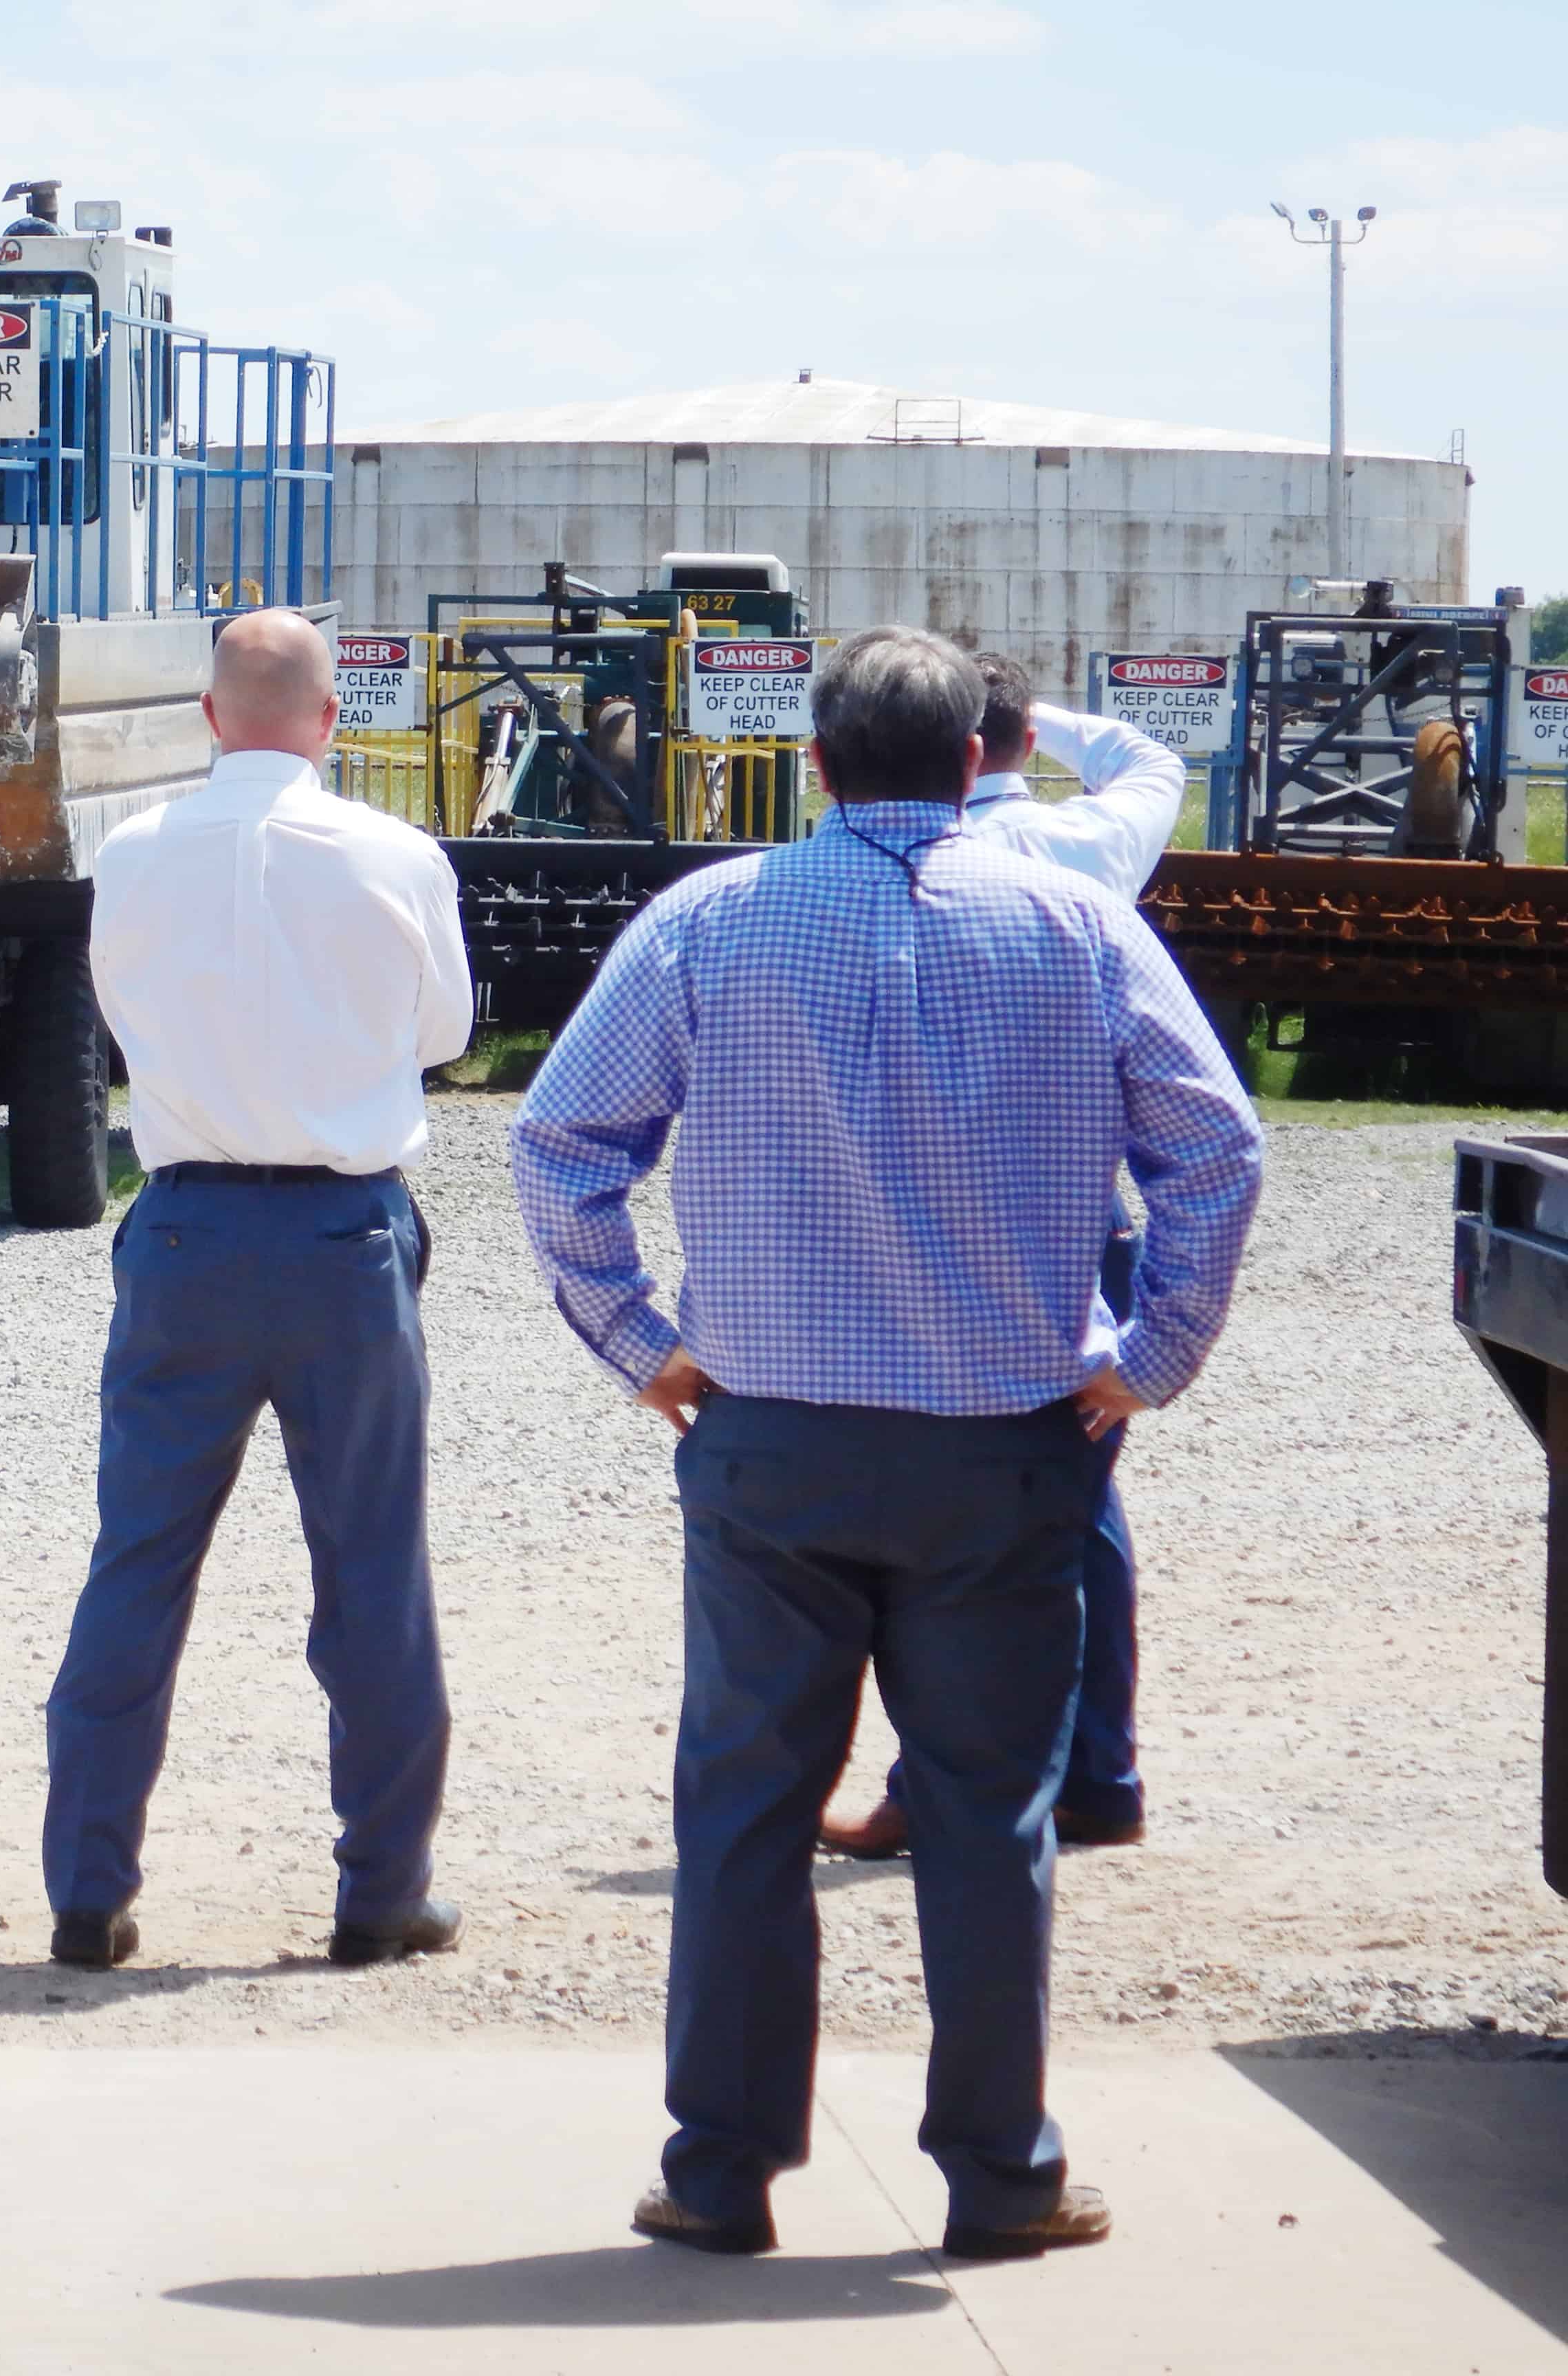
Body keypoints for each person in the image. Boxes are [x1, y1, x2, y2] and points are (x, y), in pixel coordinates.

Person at [510, 626, 1261, 2262]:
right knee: (991, 1820)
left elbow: (561, 1139)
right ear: (979, 761)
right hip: (1007, 1448)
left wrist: (638, 1340)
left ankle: (722, 2175)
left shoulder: (708, 920)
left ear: (818, 765)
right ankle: (1000, 2177)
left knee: (745, 1808)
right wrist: (1154, 1356)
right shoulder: (1081, 923)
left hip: (770, 1443)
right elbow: (1216, 1146)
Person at [39, 608, 476, 1972]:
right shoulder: (397, 854)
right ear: (332, 719)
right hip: (344, 1233)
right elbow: (447, 1033)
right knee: (372, 1568)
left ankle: (88, 1890)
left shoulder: (133, 853)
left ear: (209, 717)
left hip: (186, 1228)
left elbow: (121, 1014)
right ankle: (381, 1891)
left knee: (139, 1560)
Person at [821, 654, 1185, 1862]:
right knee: (1073, 1504)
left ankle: (939, 1781)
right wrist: (1043, 718)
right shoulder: (1087, 851)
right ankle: (1097, 1775)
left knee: (933, 1510)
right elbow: (1150, 759)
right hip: (1081, 1217)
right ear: (1006, 743)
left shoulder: (881, 863)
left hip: (924, 1211)